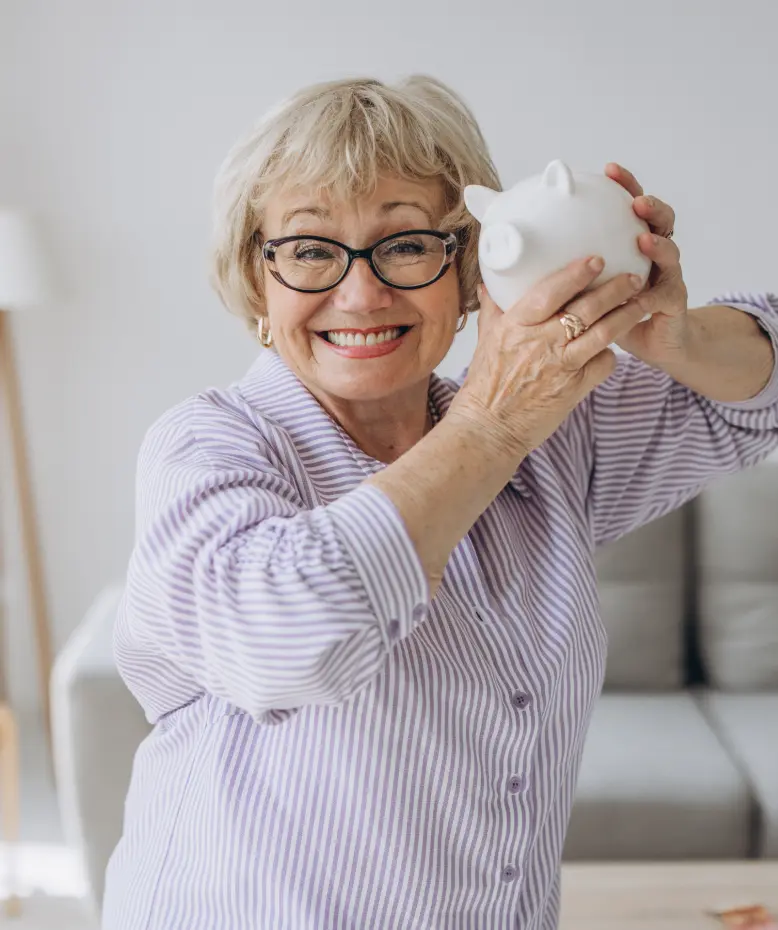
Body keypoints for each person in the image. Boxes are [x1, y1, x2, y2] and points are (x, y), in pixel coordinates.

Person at [101, 75, 778, 930]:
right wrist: (494, 427)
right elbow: (278, 641)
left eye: (407, 244)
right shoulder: (207, 445)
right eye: (311, 250)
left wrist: (675, 336)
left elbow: (761, 385)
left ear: (470, 265)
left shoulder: (554, 434)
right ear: (255, 278)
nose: (361, 293)